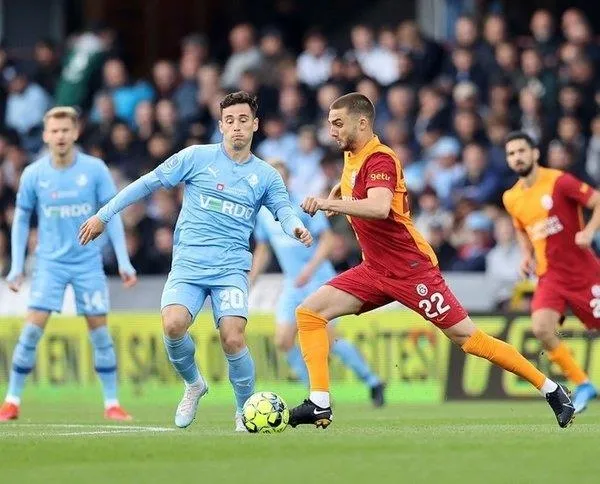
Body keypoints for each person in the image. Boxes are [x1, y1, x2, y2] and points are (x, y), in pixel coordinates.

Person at [288, 93, 574, 429]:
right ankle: (320, 403)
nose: (331, 131)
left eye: (338, 123)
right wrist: (342, 191)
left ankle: (552, 389)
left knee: (469, 339)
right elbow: (362, 189)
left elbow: (379, 207)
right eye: (330, 124)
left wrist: (329, 203)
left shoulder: (380, 159)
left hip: (411, 270)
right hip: (375, 269)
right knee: (309, 314)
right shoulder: (353, 157)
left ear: (361, 123)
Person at [79, 92, 312, 431]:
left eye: (243, 120)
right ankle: (194, 384)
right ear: (221, 126)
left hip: (231, 268)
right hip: (189, 264)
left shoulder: (265, 175)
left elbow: (284, 210)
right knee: (173, 325)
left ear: (255, 125)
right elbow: (147, 183)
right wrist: (103, 215)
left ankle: (243, 411)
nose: (236, 127)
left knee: (233, 336)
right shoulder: (195, 157)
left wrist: (295, 228)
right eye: (230, 121)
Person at [1, 106, 137, 421]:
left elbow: (111, 213)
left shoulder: (94, 169)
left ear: (75, 133)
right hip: (49, 264)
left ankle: (112, 403)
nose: (60, 136)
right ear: (46, 135)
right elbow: (21, 219)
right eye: (55, 130)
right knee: (31, 332)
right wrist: (17, 266)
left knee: (100, 334)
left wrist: (124, 261)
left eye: (65, 130)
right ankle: (12, 401)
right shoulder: (34, 173)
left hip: (87, 263)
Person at [250, 159, 385, 406]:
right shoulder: (264, 213)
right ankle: (316, 392)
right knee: (283, 340)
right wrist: (251, 280)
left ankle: (372, 381)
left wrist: (309, 270)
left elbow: (328, 240)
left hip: (317, 278)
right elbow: (263, 249)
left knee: (329, 339)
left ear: (288, 180)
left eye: (281, 176)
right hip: (293, 284)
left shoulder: (303, 204)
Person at [503, 130, 600, 414]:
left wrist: (589, 231)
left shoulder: (559, 181)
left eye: (521, 151)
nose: (517, 157)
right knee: (541, 328)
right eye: (511, 154)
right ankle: (583, 384)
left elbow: (597, 201)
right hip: (550, 277)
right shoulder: (511, 197)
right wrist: (526, 255)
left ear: (535, 153)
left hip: (583, 273)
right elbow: (522, 228)